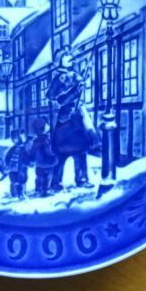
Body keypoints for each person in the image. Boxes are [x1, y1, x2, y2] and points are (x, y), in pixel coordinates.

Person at [46, 46, 95, 191]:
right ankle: (55, 183)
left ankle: (82, 179)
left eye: (70, 55)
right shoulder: (58, 79)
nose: (70, 57)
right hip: (65, 119)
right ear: (60, 60)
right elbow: (59, 100)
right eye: (66, 55)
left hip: (77, 117)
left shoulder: (75, 75)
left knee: (81, 149)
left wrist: (84, 80)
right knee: (61, 152)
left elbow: (80, 89)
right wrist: (75, 91)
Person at [27, 117, 57, 197]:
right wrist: (53, 155)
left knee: (39, 176)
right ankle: (44, 191)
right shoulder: (46, 140)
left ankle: (38, 189)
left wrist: (31, 158)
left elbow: (32, 151)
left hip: (38, 163)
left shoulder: (36, 141)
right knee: (46, 177)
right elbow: (48, 151)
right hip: (46, 162)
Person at [4, 129, 29, 199]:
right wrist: (7, 164)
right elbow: (8, 157)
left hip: (21, 168)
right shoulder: (13, 148)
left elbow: (27, 157)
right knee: (13, 180)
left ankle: (22, 193)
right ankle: (14, 193)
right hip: (12, 168)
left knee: (22, 180)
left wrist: (28, 163)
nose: (14, 140)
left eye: (16, 138)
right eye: (13, 138)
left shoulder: (24, 149)